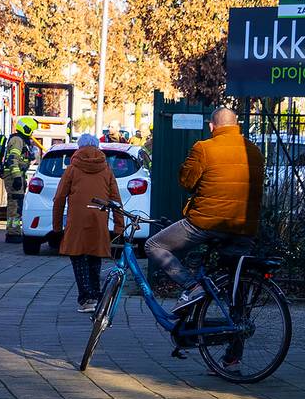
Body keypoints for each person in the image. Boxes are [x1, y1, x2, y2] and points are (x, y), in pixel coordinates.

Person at [145, 107, 263, 312]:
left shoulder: (204, 148)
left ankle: (192, 287)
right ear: (237, 126)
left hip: (207, 223)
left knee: (154, 245)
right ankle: (237, 325)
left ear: (211, 126)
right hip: (244, 226)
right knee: (237, 275)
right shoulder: (254, 151)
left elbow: (186, 182)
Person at [51, 134, 125, 312]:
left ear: (79, 147)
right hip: (98, 218)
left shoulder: (72, 168)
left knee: (78, 258)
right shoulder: (106, 169)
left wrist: (56, 227)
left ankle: (87, 298)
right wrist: (118, 227)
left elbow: (60, 198)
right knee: (94, 258)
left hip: (77, 220)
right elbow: (115, 199)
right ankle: (96, 295)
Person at [1, 116, 39, 242]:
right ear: (26, 129)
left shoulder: (21, 140)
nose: (32, 133)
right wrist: (17, 177)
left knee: (17, 205)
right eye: (31, 131)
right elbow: (13, 159)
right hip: (13, 176)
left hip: (17, 175)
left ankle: (14, 231)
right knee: (15, 205)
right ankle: (13, 233)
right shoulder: (17, 140)